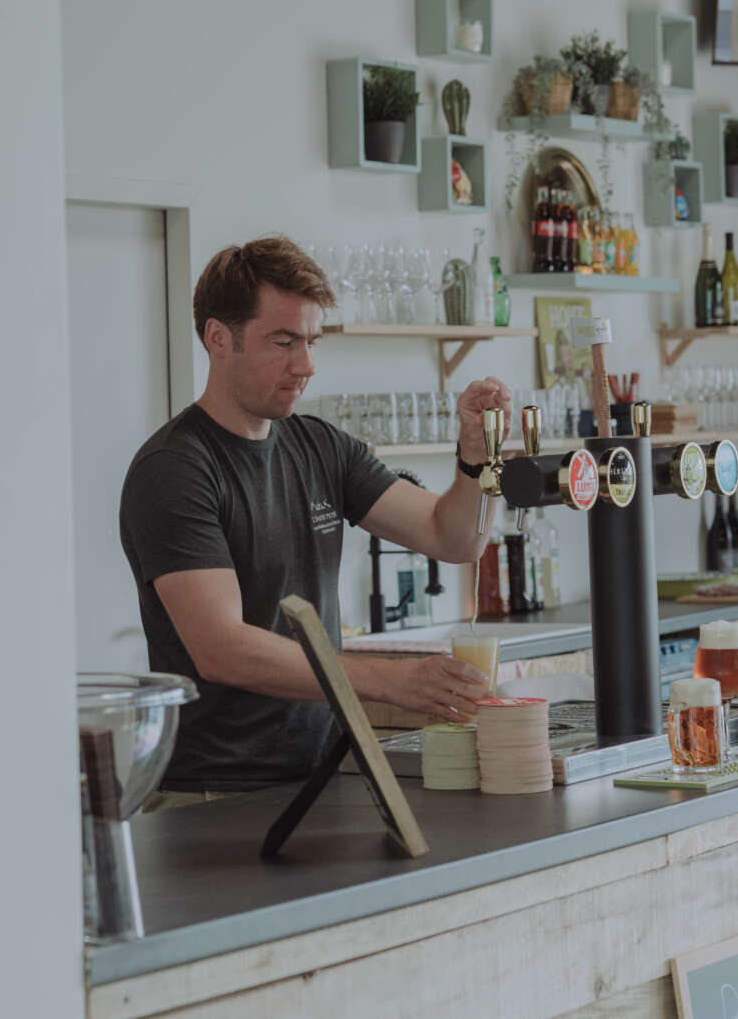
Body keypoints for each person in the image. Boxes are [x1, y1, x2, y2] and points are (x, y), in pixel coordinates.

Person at [120, 236, 512, 809]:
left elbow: (453, 538)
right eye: (283, 342)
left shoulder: (321, 447)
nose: (305, 365)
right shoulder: (176, 469)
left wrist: (476, 458)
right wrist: (391, 680)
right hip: (213, 791)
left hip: (319, 775)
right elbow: (222, 648)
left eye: (311, 341)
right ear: (218, 338)